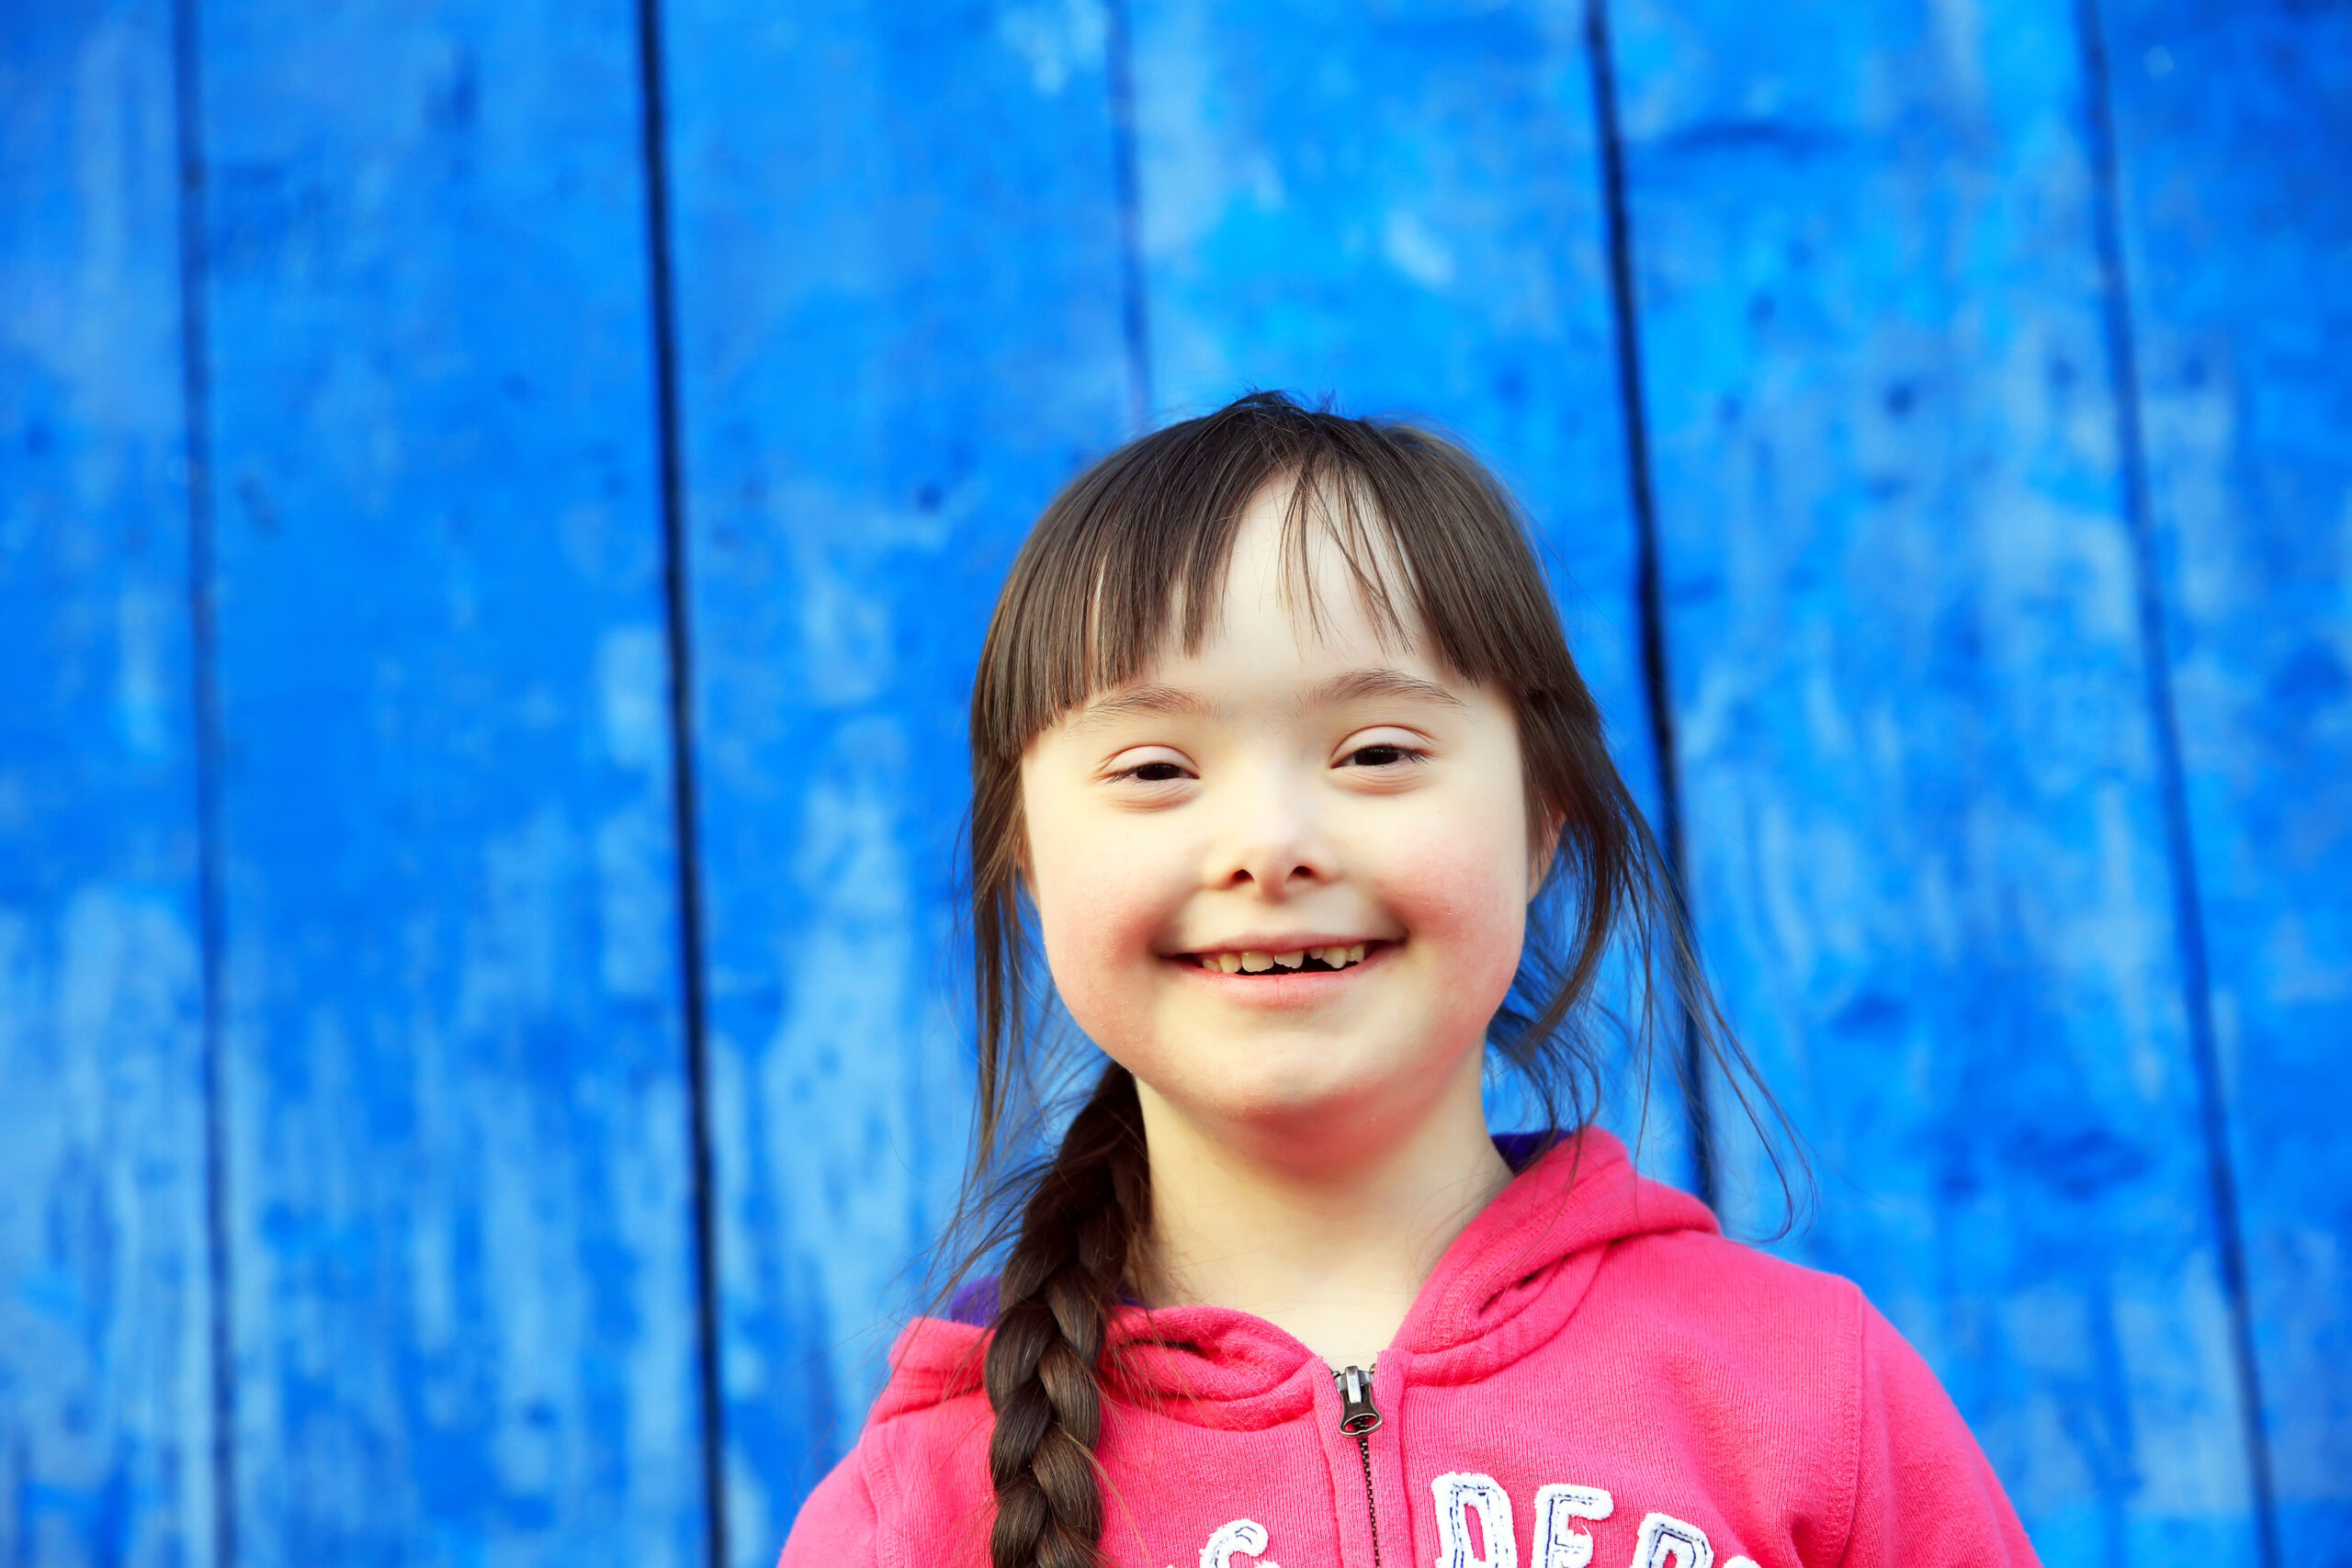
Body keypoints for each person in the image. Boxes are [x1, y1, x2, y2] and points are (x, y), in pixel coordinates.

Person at [778, 392, 2036, 1568]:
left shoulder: (1811, 1387)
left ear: (1543, 817)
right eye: (1158, 768)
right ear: (1029, 859)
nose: (1269, 843)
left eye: (1376, 750)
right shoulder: (914, 1508)